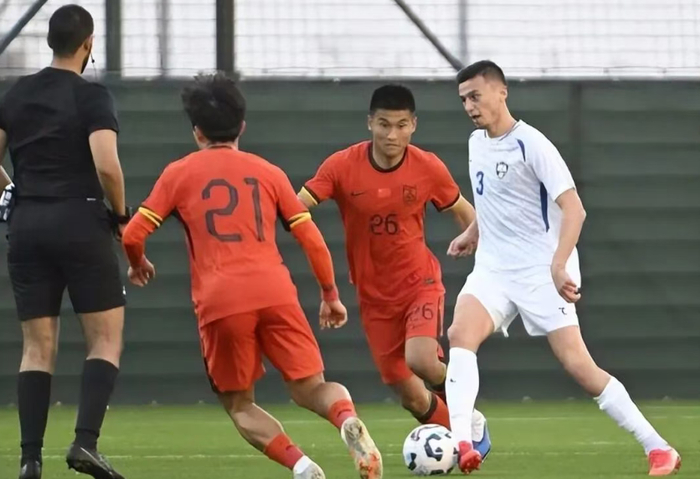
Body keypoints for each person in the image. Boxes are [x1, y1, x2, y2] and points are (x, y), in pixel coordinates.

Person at [121, 72, 383, 479]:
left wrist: (138, 263)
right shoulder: (268, 172)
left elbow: (133, 234)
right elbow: (312, 239)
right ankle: (345, 417)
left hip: (221, 299)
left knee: (240, 404)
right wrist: (330, 294)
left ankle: (302, 466)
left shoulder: (178, 173)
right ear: (242, 126)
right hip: (276, 291)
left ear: (196, 131)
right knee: (311, 388)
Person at [444, 60, 681, 476]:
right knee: (460, 334)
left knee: (579, 366)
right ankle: (462, 442)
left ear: (501, 92)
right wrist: (473, 232)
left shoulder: (531, 143)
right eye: (463, 99)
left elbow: (574, 209)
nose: (469, 106)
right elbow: (493, 199)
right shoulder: (475, 143)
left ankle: (658, 447)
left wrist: (558, 265)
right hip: (493, 269)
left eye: (475, 96)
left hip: (540, 270)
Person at [298, 84, 491, 457]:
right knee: (410, 396)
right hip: (374, 296)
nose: (392, 134)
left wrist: (484, 254)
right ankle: (460, 441)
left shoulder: (427, 166)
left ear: (413, 125)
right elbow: (298, 206)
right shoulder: (341, 166)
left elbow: (464, 210)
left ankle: (467, 415)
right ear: (370, 123)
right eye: (384, 124)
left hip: (420, 282)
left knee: (421, 360)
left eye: (401, 125)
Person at [0, 5, 132, 479]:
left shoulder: (17, 93)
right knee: (105, 338)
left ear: (50, 41)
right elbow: (107, 165)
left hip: (27, 223)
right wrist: (121, 216)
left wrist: (11, 191)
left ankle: (29, 459)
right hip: (80, 220)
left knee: (37, 347)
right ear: (88, 44)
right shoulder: (91, 96)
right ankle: (85, 443)